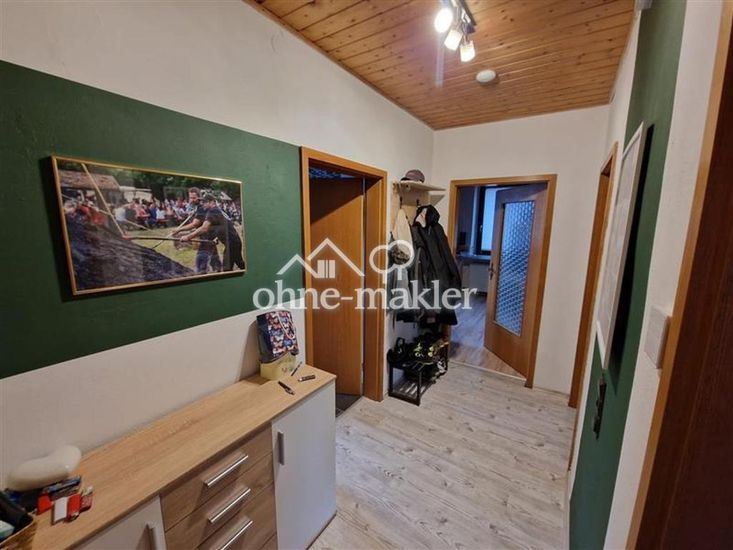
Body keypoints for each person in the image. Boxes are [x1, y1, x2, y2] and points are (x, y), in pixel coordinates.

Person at [180, 194, 245, 271]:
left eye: (205, 202)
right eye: (202, 202)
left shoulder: (213, 211)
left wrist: (188, 237)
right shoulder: (217, 210)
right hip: (235, 242)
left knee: (226, 269)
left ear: (212, 202)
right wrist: (216, 237)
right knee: (240, 264)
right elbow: (221, 227)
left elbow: (204, 228)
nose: (203, 204)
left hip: (232, 243)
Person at [172, 187, 221, 273]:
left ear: (199, 197)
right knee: (213, 253)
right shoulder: (199, 207)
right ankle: (217, 269)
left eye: (194, 198)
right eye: (190, 197)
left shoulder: (202, 207)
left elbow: (194, 224)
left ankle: (202, 272)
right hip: (209, 234)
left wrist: (179, 230)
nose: (191, 200)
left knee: (201, 258)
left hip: (207, 234)